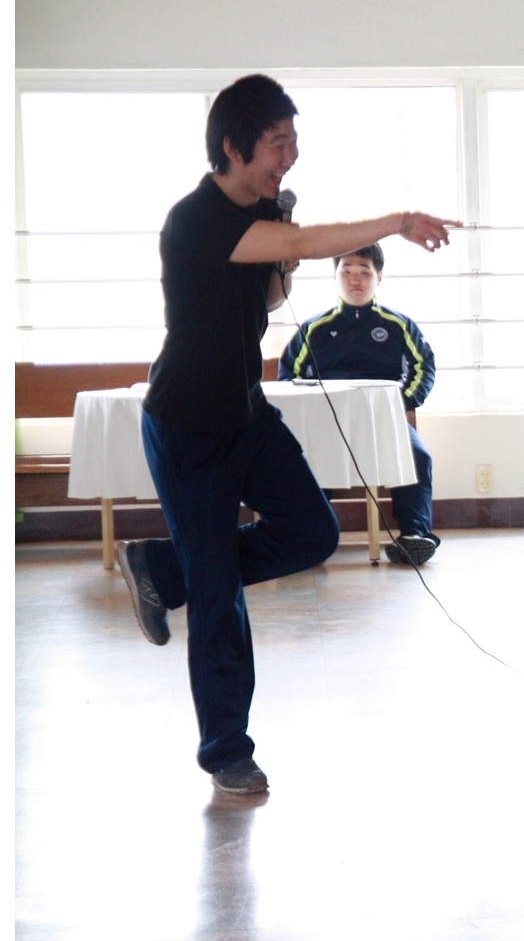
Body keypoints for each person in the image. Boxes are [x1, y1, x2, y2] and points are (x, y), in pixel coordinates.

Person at [114, 73, 458, 794]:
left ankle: (164, 569)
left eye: (293, 142)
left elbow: (270, 294)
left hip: (245, 414)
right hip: (186, 426)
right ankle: (226, 751)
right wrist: (394, 221)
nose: (289, 157)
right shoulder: (196, 218)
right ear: (233, 147)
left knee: (312, 532)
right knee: (219, 597)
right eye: (277, 143)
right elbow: (302, 241)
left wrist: (283, 252)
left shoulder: (262, 210)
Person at [278, 242, 440, 565]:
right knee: (301, 462)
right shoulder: (313, 328)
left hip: (384, 421)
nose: (355, 279)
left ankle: (414, 536)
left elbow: (424, 367)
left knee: (418, 456)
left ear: (379, 277)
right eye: (347, 271)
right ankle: (306, 538)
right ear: (335, 277)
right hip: (326, 424)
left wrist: (403, 401)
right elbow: (288, 377)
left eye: (364, 272)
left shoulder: (399, 325)